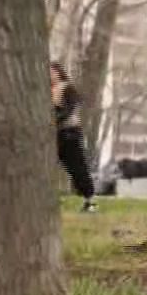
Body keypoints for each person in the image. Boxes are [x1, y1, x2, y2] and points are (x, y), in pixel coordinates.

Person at [49, 62, 97, 212]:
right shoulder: (45, 91)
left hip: (69, 133)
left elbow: (71, 108)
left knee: (76, 166)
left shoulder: (67, 88)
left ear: (58, 72)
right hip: (52, 134)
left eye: (52, 72)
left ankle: (90, 200)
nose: (50, 75)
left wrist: (55, 120)